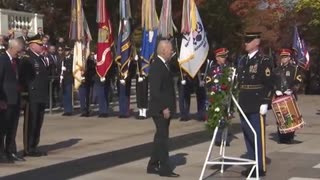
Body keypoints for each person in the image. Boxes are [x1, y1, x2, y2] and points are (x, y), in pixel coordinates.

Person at [237, 32, 273, 177]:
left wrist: (265, 102)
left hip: (257, 102)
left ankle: (259, 166)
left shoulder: (264, 60)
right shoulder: (243, 60)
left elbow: (269, 83)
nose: (246, 43)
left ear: (257, 42)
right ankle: (252, 163)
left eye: (249, 40)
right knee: (247, 134)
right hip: (244, 102)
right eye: (245, 40)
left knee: (257, 135)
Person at [147, 40, 179, 177]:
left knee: (160, 137)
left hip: (165, 108)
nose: (172, 51)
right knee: (163, 139)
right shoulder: (156, 66)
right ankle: (164, 169)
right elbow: (155, 91)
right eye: (170, 49)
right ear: (163, 50)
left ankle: (152, 165)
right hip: (160, 109)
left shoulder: (166, 65)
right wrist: (164, 107)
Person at [19, 35, 49, 157]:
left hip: (41, 95)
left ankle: (34, 146)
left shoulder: (40, 58)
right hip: (32, 96)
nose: (42, 46)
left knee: (38, 122)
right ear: (32, 45)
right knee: (31, 122)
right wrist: (25, 94)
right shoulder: (27, 59)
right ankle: (28, 148)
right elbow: (23, 78)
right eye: (39, 45)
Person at [0, 39, 25, 163]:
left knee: (13, 128)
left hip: (16, 99)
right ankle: (1, 153)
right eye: (18, 51)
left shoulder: (18, 62)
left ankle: (11, 151)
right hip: (5, 101)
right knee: (2, 129)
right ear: (11, 48)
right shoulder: (2, 60)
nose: (19, 54)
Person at [273, 48, 303, 144]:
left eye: (285, 57)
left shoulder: (294, 69)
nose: (283, 59)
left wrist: (292, 89)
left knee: (290, 116)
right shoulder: (276, 70)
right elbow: (272, 82)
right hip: (279, 96)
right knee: (280, 117)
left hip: (289, 95)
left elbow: (298, 81)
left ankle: (289, 137)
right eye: (282, 57)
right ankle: (281, 137)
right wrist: (275, 90)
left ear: (289, 58)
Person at [208, 47, 232, 146]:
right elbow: (208, 82)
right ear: (217, 57)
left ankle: (224, 138)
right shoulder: (213, 68)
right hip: (216, 96)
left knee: (225, 117)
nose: (224, 59)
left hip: (226, 95)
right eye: (221, 57)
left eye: (225, 56)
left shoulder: (228, 67)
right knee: (217, 117)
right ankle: (218, 138)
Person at [79, 52, 96, 117]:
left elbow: (92, 71)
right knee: (82, 96)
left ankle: (87, 110)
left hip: (89, 81)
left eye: (92, 55)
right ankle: (83, 110)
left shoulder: (91, 62)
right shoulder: (79, 61)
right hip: (81, 80)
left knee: (89, 97)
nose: (92, 56)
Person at [61, 45, 74, 116]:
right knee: (64, 95)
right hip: (63, 79)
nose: (66, 52)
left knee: (68, 95)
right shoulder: (63, 59)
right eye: (65, 51)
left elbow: (72, 68)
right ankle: (65, 110)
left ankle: (69, 110)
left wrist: (67, 69)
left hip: (68, 78)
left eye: (67, 51)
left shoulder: (71, 59)